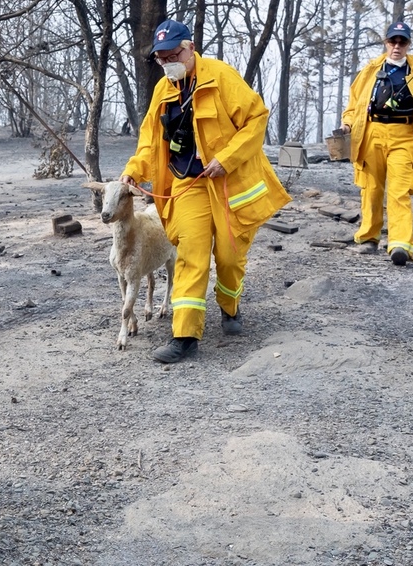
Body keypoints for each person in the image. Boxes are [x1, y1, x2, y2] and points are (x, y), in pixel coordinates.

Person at [120, 18, 290, 364]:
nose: (168, 63)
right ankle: (184, 335)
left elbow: (257, 119)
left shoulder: (221, 77)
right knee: (191, 253)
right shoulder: (163, 91)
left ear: (191, 48)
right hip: (187, 182)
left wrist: (226, 159)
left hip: (227, 182)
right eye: (161, 58)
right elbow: (150, 142)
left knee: (228, 256)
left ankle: (229, 306)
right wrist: (134, 171)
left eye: (174, 55)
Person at [340, 21, 413, 266]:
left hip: (405, 136)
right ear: (386, 43)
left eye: (402, 41)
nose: (397, 46)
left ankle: (400, 244)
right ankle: (369, 237)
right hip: (372, 133)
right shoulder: (369, 70)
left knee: (400, 191)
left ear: (408, 44)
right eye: (393, 41)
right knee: (371, 187)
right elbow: (354, 104)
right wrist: (346, 124)